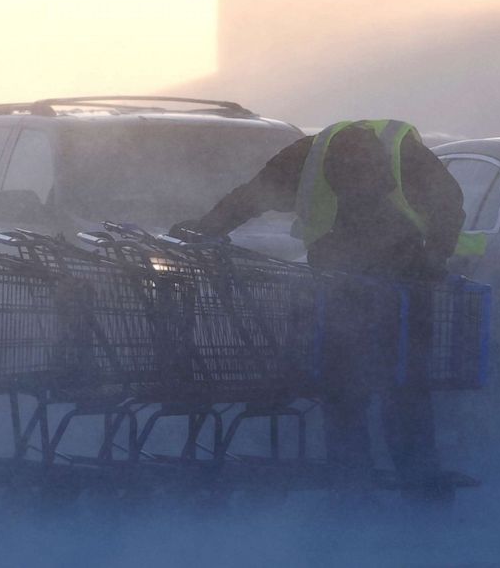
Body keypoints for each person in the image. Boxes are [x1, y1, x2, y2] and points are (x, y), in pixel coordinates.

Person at [174, 119, 464, 497]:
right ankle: (402, 480)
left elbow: (447, 202)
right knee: (388, 386)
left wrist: (434, 256)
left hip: (389, 288)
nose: (359, 189)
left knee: (366, 388)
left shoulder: (389, 154)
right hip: (363, 289)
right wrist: (207, 227)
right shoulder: (310, 159)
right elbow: (253, 197)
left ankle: (364, 480)